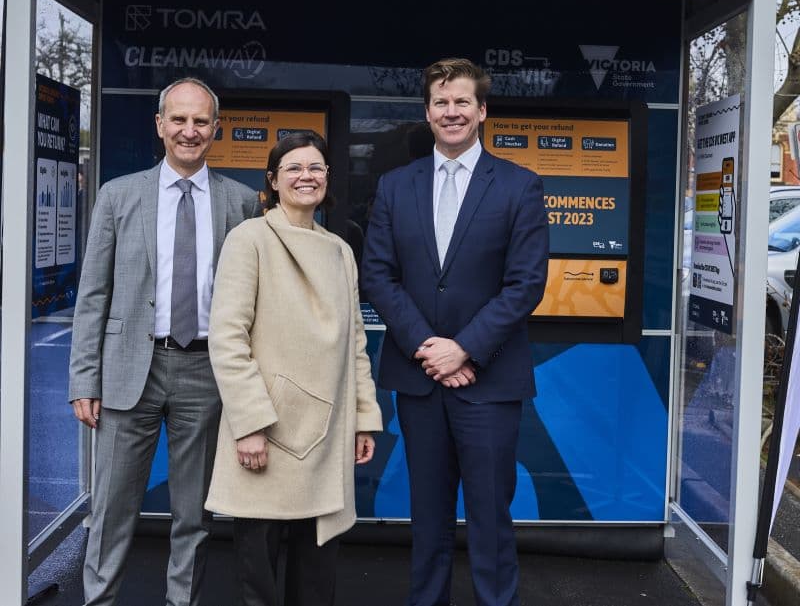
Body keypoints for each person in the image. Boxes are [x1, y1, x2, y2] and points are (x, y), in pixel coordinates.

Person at [361, 58, 549, 606]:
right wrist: (430, 349)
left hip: (489, 384)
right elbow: (378, 273)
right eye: (441, 102)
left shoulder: (520, 186)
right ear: (427, 112)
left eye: (462, 101)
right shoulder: (396, 186)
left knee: (491, 521)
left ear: (482, 110)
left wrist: (464, 347)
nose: (451, 112)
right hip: (421, 382)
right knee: (429, 521)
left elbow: (525, 285)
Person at [68, 77, 261, 606]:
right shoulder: (117, 196)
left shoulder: (242, 204)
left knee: (194, 517)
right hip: (129, 369)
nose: (189, 130)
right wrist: (84, 378)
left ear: (216, 129)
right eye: (178, 119)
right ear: (160, 125)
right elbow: (93, 296)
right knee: (110, 510)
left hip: (205, 374)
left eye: (200, 121)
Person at [205, 130, 383, 606]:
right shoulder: (249, 240)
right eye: (294, 169)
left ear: (328, 178)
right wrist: (250, 425)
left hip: (326, 437)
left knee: (316, 576)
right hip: (268, 433)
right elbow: (227, 339)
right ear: (273, 181)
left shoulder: (341, 250)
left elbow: (356, 345)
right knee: (258, 578)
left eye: (316, 168)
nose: (306, 177)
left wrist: (364, 418)